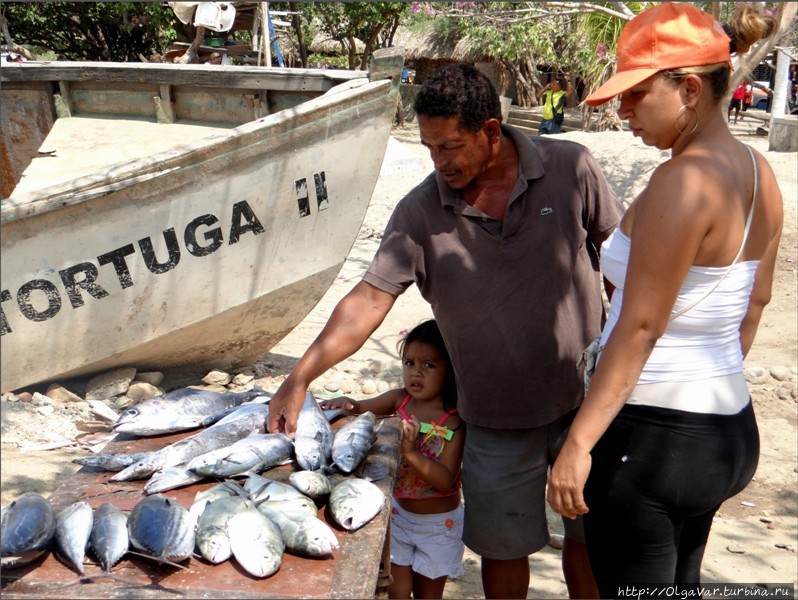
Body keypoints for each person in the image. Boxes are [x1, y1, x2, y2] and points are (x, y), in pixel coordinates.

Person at [268, 62, 623, 599]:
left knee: (590, 540)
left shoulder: (569, 166)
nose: (440, 162)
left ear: (489, 130)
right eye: (430, 147)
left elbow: (623, 266)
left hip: (585, 406)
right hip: (495, 419)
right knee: (504, 552)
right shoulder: (419, 211)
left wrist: (630, 367)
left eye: (451, 147)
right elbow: (367, 300)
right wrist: (299, 378)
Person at [547, 3, 782, 597]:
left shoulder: (682, 182)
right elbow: (755, 301)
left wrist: (578, 443)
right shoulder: (760, 172)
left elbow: (641, 325)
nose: (623, 112)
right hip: (726, 426)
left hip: (653, 440)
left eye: (635, 95)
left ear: (689, 88)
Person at [319, 320, 464, 599]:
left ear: (450, 371)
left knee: (428, 595)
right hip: (398, 515)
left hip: (438, 525)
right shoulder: (400, 401)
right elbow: (362, 408)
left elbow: (446, 479)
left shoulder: (454, 419)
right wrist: (347, 403)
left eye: (429, 365)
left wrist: (411, 452)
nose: (416, 373)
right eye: (409, 363)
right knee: (396, 591)